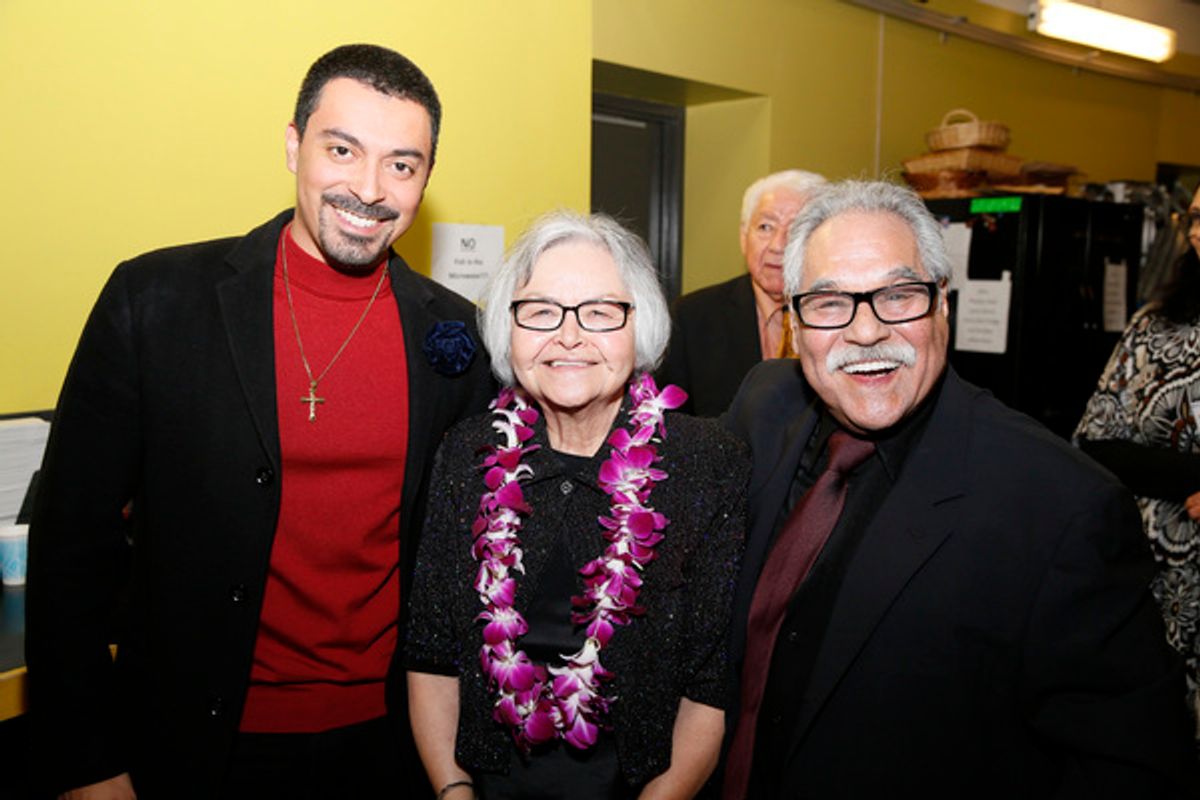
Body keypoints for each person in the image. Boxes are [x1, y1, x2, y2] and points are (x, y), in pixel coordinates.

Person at [26, 44, 494, 799]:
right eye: (342, 150)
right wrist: (89, 765)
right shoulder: (156, 302)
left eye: (402, 166)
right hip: (192, 743)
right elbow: (69, 550)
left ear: (425, 179)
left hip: (387, 749)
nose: (369, 189)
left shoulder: (457, 335)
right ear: (292, 145)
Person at [721, 179, 1199, 798]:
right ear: (793, 318)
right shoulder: (764, 407)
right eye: (831, 301)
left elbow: (1135, 769)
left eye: (898, 295)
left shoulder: (1058, 506)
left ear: (942, 304)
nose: (865, 332)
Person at [405, 211, 748, 799]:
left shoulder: (706, 463)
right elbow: (431, 656)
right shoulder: (467, 453)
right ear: (508, 329)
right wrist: (454, 791)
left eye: (599, 311)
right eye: (540, 311)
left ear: (640, 326)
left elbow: (709, 685)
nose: (568, 336)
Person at [1075, 184, 1200, 746]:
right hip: (1149, 577)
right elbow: (1096, 441)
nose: (1199, 230)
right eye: (1195, 216)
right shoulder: (1155, 325)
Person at [657, 169, 825, 416]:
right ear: (743, 237)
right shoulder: (691, 317)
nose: (778, 245)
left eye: (796, 228)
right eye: (766, 227)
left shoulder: (841, 315)